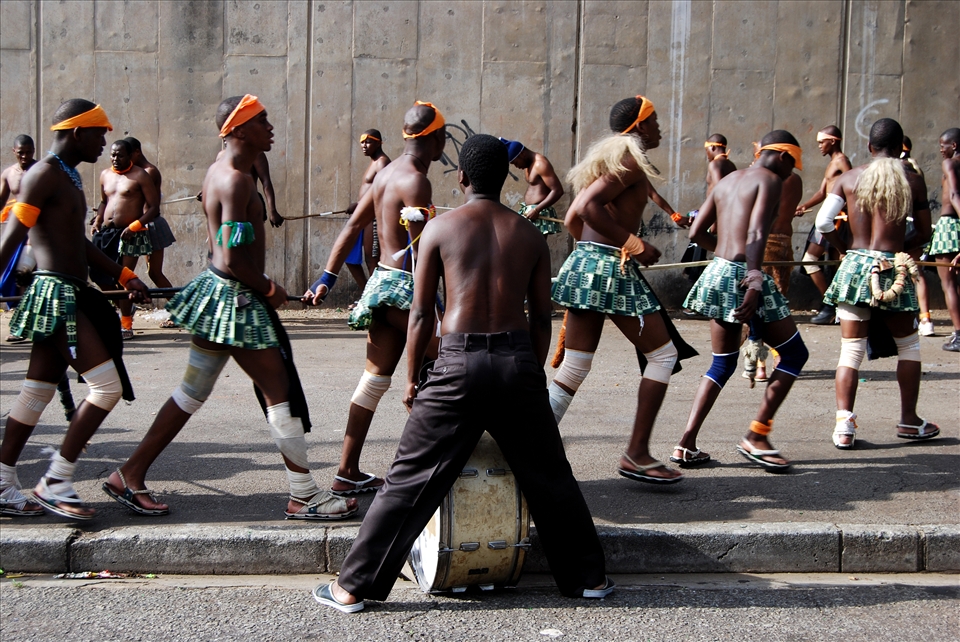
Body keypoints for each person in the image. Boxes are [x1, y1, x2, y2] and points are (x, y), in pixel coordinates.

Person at [312, 134, 612, 614]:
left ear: (463, 178)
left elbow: (419, 316)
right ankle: (588, 579)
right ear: (505, 177)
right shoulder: (531, 235)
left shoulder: (439, 230)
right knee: (550, 474)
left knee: (408, 479)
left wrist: (413, 378)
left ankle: (352, 589)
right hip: (516, 362)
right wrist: (529, 375)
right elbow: (540, 318)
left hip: (456, 363)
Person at [102, 95, 356, 520]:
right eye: (262, 121)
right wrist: (269, 287)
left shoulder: (222, 171)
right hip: (235, 299)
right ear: (237, 129)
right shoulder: (236, 180)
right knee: (279, 392)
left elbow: (218, 247)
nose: (271, 127)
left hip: (219, 293)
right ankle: (304, 495)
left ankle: (128, 473)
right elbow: (233, 258)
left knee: (191, 391)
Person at [0, 99, 150, 519]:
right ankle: (56, 479)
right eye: (100, 133)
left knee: (36, 392)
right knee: (106, 388)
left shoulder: (66, 176)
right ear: (77, 132)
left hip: (70, 290)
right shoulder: (44, 175)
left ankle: (1, 482)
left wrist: (124, 276)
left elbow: (79, 243)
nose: (106, 142)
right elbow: (12, 237)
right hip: (55, 294)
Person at [549, 95, 696, 481]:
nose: (660, 127)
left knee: (576, 365)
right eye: (656, 119)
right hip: (609, 267)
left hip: (589, 262)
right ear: (640, 126)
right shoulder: (629, 160)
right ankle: (637, 453)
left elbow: (571, 220)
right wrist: (632, 244)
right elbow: (584, 205)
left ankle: (531, 445)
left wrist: (591, 252)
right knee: (663, 355)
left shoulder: (616, 159)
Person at [302, 101, 445, 496]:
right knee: (451, 361)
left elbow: (352, 225)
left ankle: (347, 471)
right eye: (443, 137)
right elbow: (423, 251)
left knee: (374, 381)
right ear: (435, 138)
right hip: (405, 288)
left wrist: (326, 279)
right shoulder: (416, 180)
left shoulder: (385, 174)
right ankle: (422, 470)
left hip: (381, 284)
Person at [678, 130, 809, 471]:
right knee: (795, 353)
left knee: (722, 363)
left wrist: (725, 256)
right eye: (792, 164)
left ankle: (686, 443)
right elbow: (755, 234)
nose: (792, 172)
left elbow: (695, 233)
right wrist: (752, 279)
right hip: (746, 275)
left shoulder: (728, 179)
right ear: (782, 156)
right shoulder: (770, 180)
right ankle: (757, 435)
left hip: (718, 271)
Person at [816, 118, 938, 448]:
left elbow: (823, 222)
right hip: (893, 267)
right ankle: (909, 421)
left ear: (869, 148)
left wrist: (845, 251)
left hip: (855, 266)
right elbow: (926, 232)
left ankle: (844, 426)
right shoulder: (912, 180)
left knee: (851, 351)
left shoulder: (849, 178)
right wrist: (903, 247)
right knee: (909, 346)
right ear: (901, 149)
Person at [90, 139, 160, 339]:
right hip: (106, 233)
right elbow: (104, 202)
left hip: (131, 233)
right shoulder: (105, 175)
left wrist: (135, 225)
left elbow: (154, 208)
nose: (115, 159)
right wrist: (97, 221)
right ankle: (124, 307)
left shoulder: (140, 176)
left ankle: (126, 325)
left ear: (130, 156)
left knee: (125, 278)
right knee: (97, 275)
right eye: (112, 155)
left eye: (120, 155)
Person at [741, 162, 804, 385]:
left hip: (764, 244)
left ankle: (759, 365)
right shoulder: (795, 180)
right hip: (784, 243)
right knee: (778, 303)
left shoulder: (765, 180)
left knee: (760, 305)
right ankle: (777, 355)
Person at [796, 126, 852, 324]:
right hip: (828, 216)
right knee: (823, 262)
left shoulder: (842, 161)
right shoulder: (832, 163)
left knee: (818, 260)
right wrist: (804, 206)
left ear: (833, 141)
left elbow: (853, 185)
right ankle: (832, 306)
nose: (819, 146)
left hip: (836, 219)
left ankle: (831, 306)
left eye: (822, 142)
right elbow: (822, 192)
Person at [123, 136, 176, 325]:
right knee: (126, 273)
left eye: (128, 156)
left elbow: (146, 206)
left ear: (136, 152)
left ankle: (181, 311)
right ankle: (126, 310)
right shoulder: (135, 171)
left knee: (154, 273)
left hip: (149, 226)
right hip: (138, 227)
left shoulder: (149, 172)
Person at [343, 130, 390, 296]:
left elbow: (383, 191)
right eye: (362, 142)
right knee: (347, 254)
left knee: (372, 260)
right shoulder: (374, 162)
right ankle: (366, 294)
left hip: (374, 217)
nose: (364, 145)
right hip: (364, 216)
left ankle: (374, 299)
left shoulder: (382, 162)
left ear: (379, 143)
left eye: (368, 142)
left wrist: (359, 205)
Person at [1, 134, 38, 333]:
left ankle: (24, 324)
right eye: (21, 153)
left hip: (39, 231)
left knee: (25, 273)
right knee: (16, 278)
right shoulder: (9, 174)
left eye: (29, 152)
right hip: (17, 230)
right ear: (14, 152)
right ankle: (22, 321)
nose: (25, 156)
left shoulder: (42, 171)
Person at [930, 128, 960, 352]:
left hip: (950, 225)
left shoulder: (950, 164)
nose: (941, 149)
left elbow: (954, 195)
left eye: (943, 145)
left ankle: (959, 335)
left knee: (948, 284)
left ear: (954, 146)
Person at [901, 136, 935, 337]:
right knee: (916, 274)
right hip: (913, 224)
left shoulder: (897, 170)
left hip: (898, 226)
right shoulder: (915, 170)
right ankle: (925, 318)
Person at [499, 138, 566, 236]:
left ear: (522, 154)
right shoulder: (528, 165)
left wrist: (537, 209)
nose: (516, 166)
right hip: (530, 211)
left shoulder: (540, 164)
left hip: (538, 212)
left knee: (536, 247)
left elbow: (557, 190)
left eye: (516, 162)